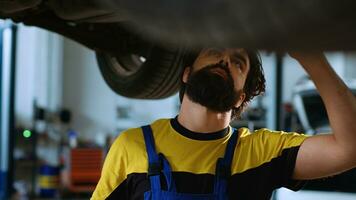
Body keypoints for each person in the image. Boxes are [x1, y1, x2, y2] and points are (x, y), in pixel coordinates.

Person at [91, 48, 356, 200]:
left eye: (238, 63)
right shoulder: (132, 146)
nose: (225, 60)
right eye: (214, 52)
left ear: (242, 96)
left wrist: (312, 58)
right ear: (186, 73)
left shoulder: (261, 152)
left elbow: (350, 148)